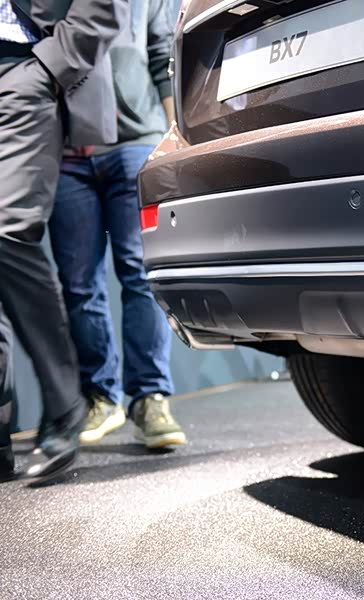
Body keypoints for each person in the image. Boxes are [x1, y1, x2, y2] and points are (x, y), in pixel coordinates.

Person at [48, 0, 186, 450]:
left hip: (135, 143)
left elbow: (162, 56)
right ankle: (101, 397)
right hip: (67, 152)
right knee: (78, 284)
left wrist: (173, 135)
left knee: (140, 273)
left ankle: (150, 398)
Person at [0, 0, 125, 481]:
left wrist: (49, 67)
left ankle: (65, 402)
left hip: (22, 74)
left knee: (8, 234)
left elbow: (103, 7)